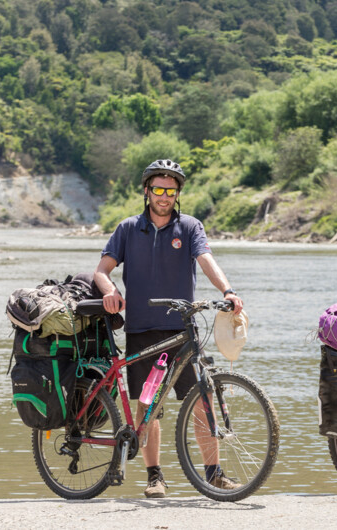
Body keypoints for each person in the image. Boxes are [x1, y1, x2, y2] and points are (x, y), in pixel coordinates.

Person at [94, 158, 244, 498]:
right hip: (141, 328)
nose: (164, 196)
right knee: (149, 407)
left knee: (202, 400)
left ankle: (214, 474)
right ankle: (154, 477)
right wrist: (110, 290)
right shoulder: (128, 228)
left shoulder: (190, 227)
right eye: (158, 189)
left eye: (171, 190)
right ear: (147, 191)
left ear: (178, 194)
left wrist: (228, 290)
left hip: (181, 329)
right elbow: (101, 271)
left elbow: (206, 259)